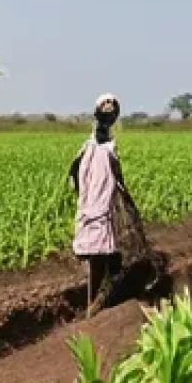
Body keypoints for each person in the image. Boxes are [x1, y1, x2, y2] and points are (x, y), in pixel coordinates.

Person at [69, 94, 144, 314]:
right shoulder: (100, 146)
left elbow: (76, 174)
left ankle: (97, 300)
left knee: (99, 252)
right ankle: (96, 301)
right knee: (100, 252)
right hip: (96, 205)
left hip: (94, 205)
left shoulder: (94, 147)